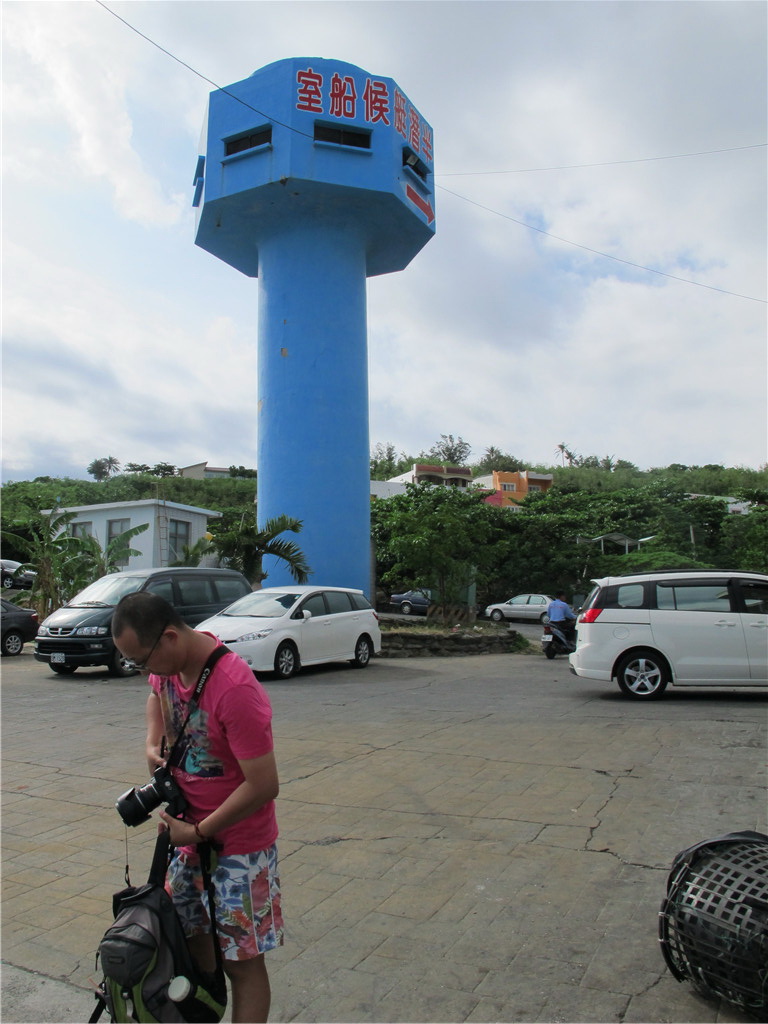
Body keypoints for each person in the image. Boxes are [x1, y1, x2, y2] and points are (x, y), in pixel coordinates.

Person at [112, 592, 283, 1024]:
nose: (143, 670)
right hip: (185, 840)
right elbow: (156, 693)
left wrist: (202, 831)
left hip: (239, 849)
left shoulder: (236, 688)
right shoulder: (168, 667)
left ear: (169, 637)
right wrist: (153, 741)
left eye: (142, 660)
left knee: (241, 965)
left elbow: (264, 785)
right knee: (189, 945)